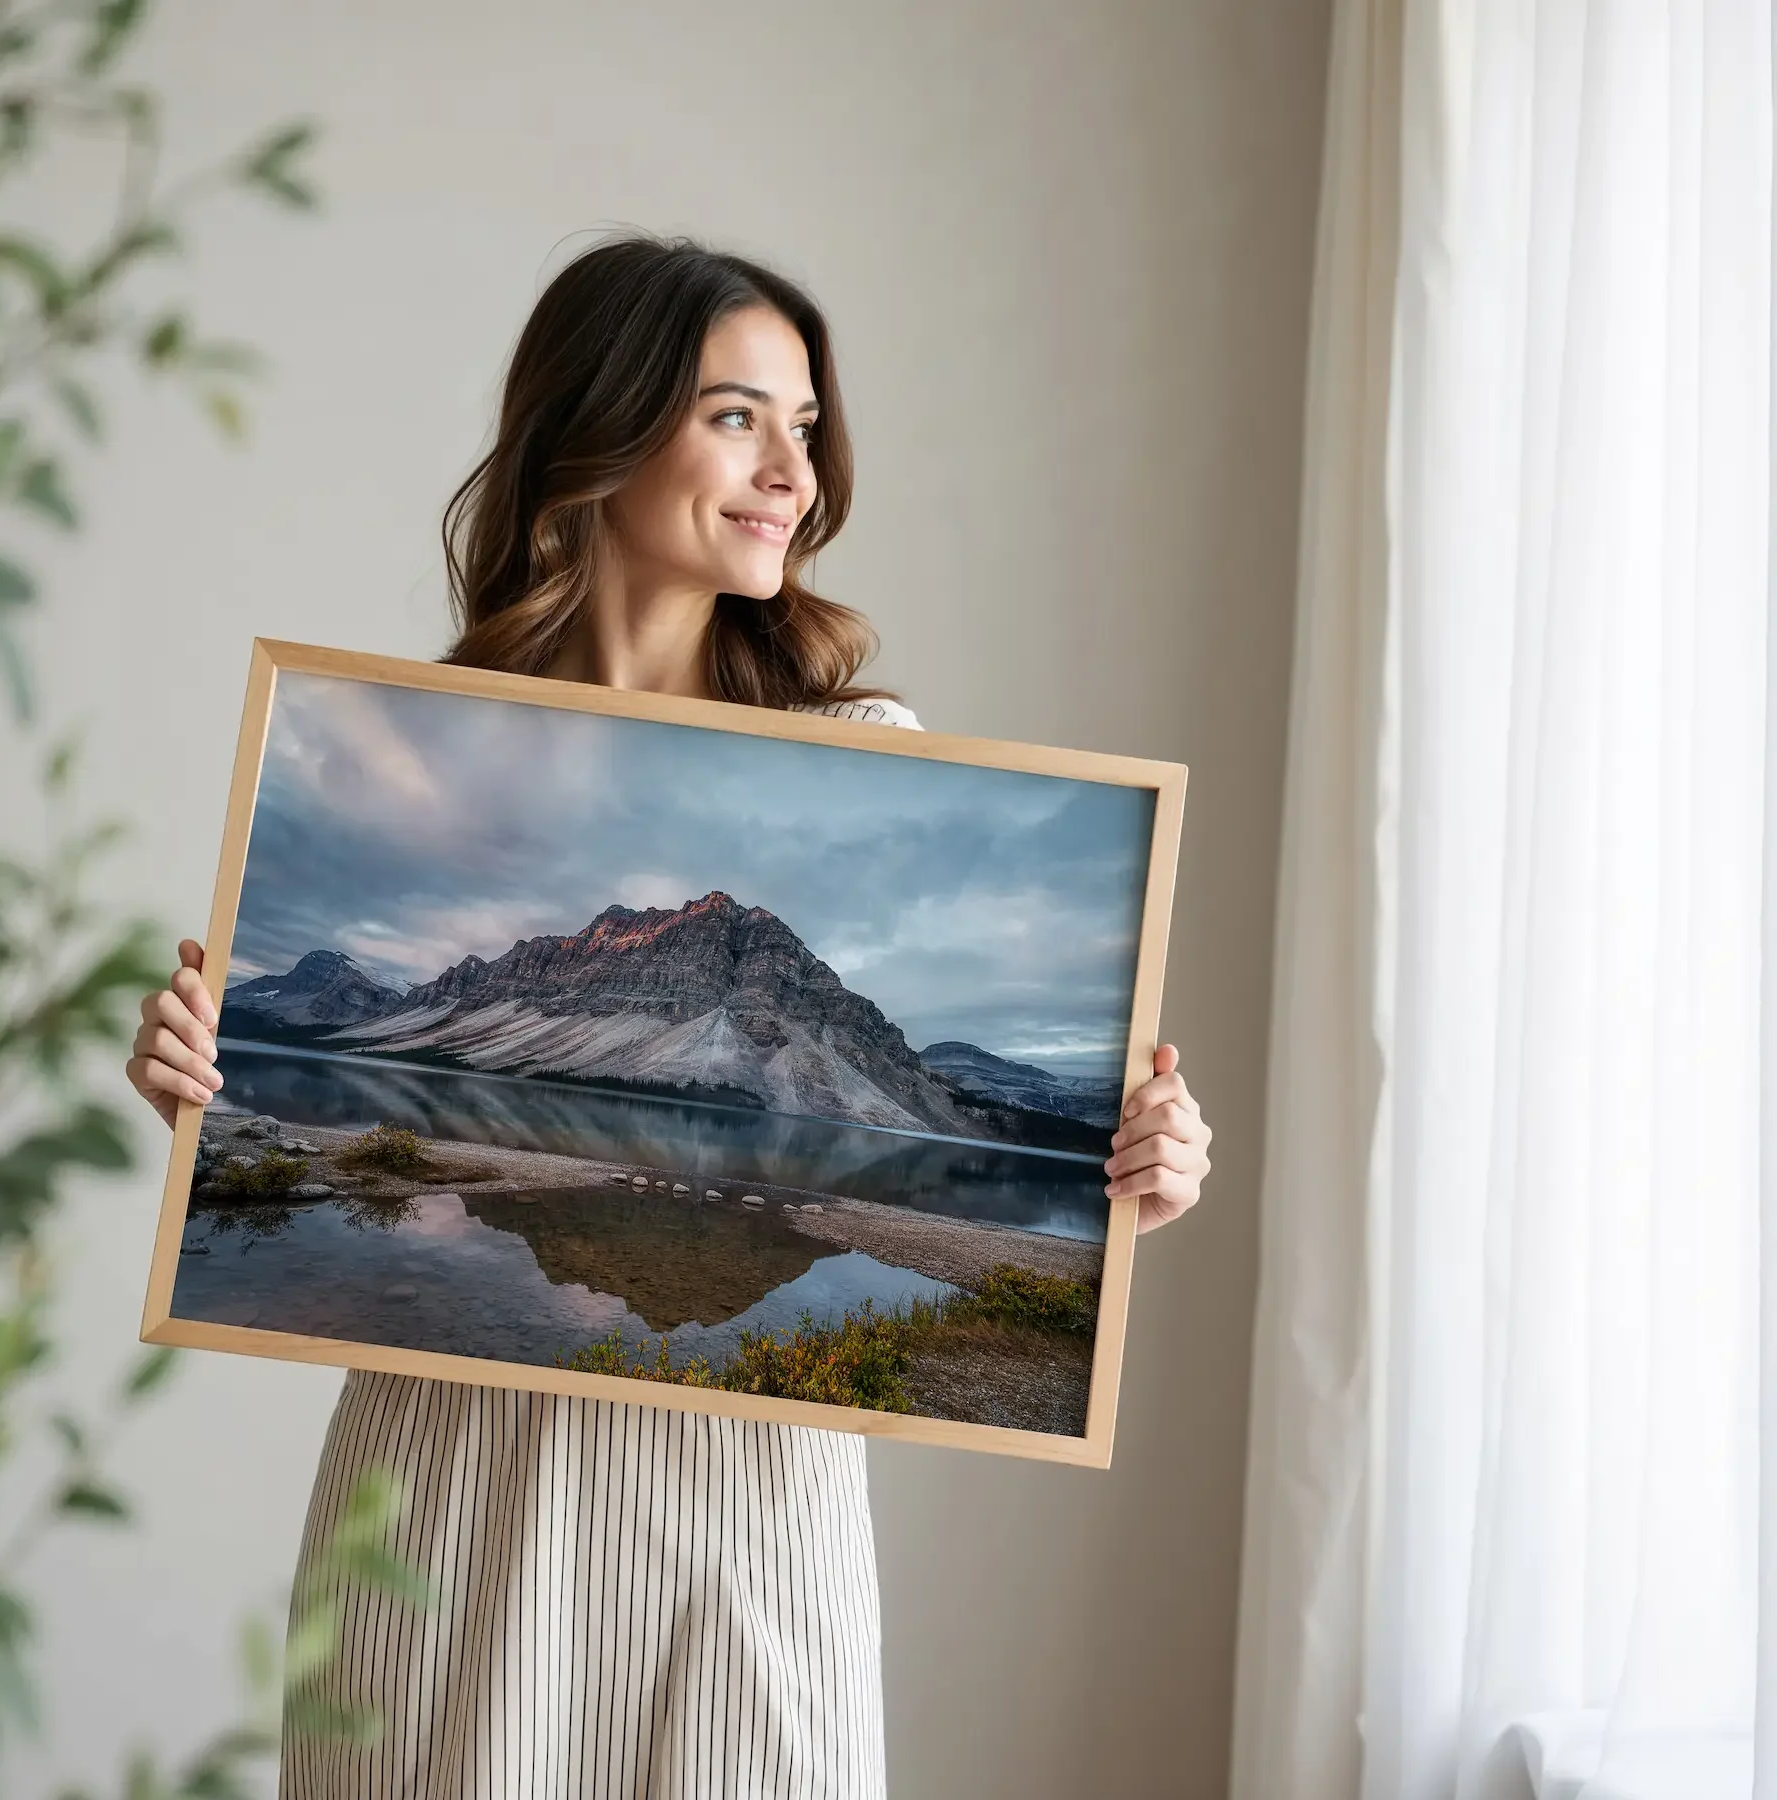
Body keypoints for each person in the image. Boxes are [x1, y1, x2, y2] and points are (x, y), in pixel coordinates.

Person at [124, 231, 1214, 1799]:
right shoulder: (423, 724)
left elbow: (1100, 1178)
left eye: (808, 426)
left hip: (747, 1520)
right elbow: (248, 1117)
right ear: (600, 437)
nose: (796, 474)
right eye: (737, 417)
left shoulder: (862, 741)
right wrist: (204, 1090)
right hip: (446, 1494)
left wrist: (1140, 1178)